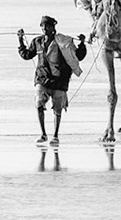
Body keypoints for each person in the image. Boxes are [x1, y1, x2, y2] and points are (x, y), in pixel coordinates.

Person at [17, 16, 87, 145]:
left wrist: (82, 43)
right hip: (42, 79)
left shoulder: (63, 43)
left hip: (59, 80)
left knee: (57, 109)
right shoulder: (37, 41)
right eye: (42, 27)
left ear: (53, 28)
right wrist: (20, 40)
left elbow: (78, 56)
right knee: (38, 103)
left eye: (47, 26)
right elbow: (27, 55)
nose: (44, 29)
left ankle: (55, 136)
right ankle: (43, 134)